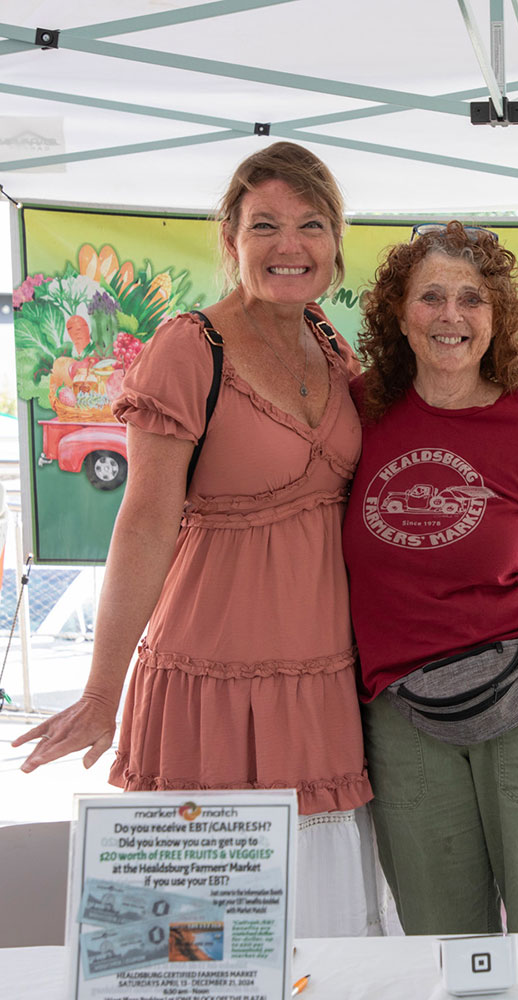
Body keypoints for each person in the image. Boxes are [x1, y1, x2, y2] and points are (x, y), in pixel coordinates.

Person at [13, 141, 380, 937]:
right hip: (208, 687)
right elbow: (142, 526)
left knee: (322, 941)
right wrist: (103, 692)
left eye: (311, 225)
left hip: (320, 687)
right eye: (265, 226)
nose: (290, 246)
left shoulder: (330, 342)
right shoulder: (191, 347)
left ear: (336, 240)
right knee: (196, 949)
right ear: (230, 239)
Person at [342, 222, 518, 999]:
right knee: (439, 935)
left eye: (472, 298)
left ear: (496, 318)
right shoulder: (356, 413)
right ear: (398, 315)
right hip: (404, 708)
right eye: (430, 295)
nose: (451, 314)